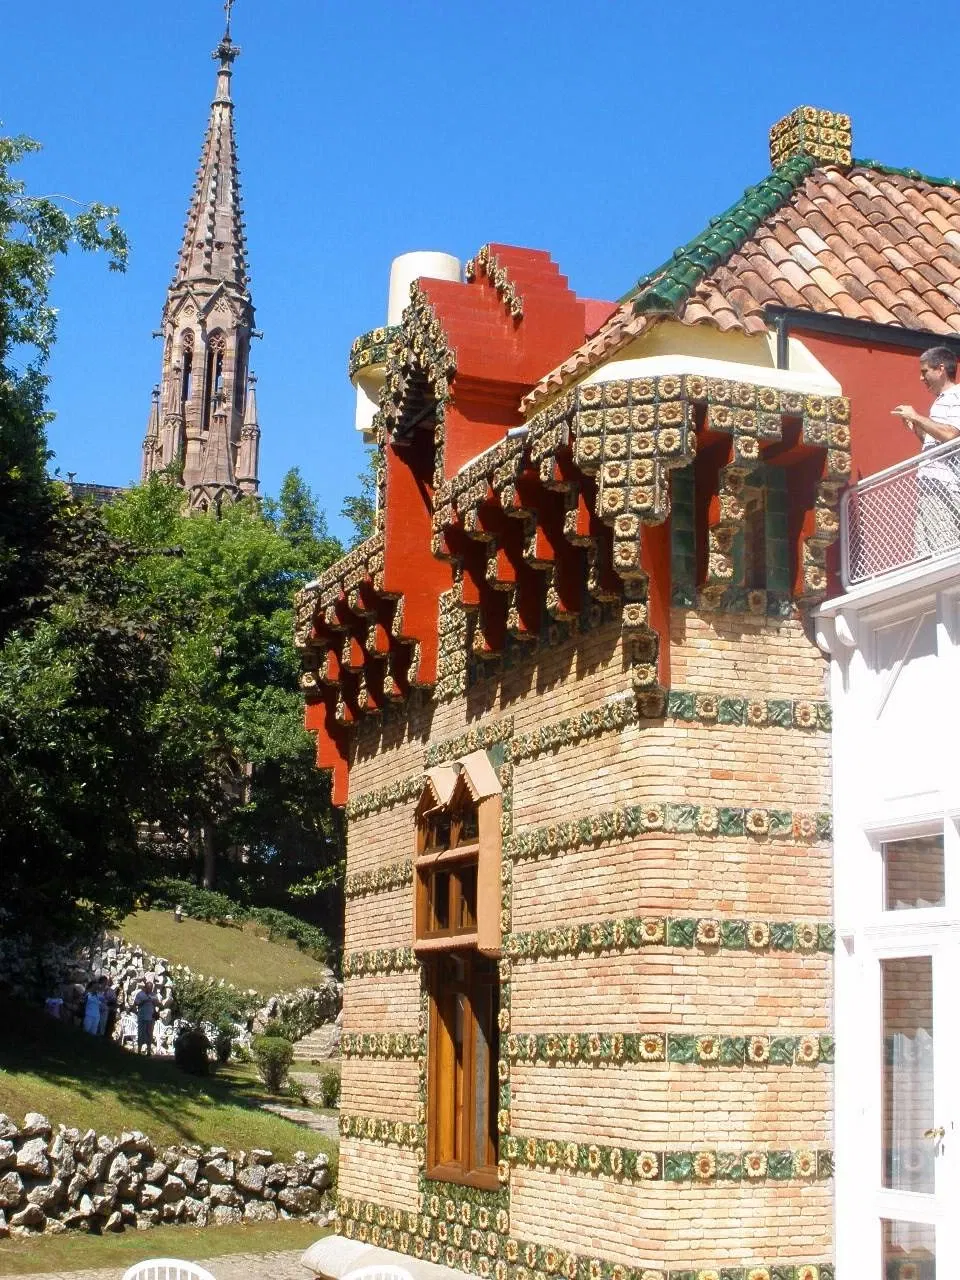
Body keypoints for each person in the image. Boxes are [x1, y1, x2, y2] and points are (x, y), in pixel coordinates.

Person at [892, 347, 960, 555]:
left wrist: (916, 417)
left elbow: (951, 435)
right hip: (930, 488)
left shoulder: (956, 395)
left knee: (943, 555)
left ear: (941, 369)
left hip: (943, 488)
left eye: (925, 371)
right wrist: (917, 427)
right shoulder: (943, 400)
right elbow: (935, 443)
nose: (921, 378)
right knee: (925, 557)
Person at [133, 976, 160, 1055]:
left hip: (151, 1017)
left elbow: (158, 1004)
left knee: (149, 1034)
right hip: (142, 1016)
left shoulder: (153, 995)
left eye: (151, 988)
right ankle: (139, 1051)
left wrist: (154, 1001)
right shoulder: (140, 994)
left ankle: (148, 1051)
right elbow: (135, 1003)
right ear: (145, 987)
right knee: (141, 1033)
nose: (150, 990)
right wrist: (143, 1001)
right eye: (149, 988)